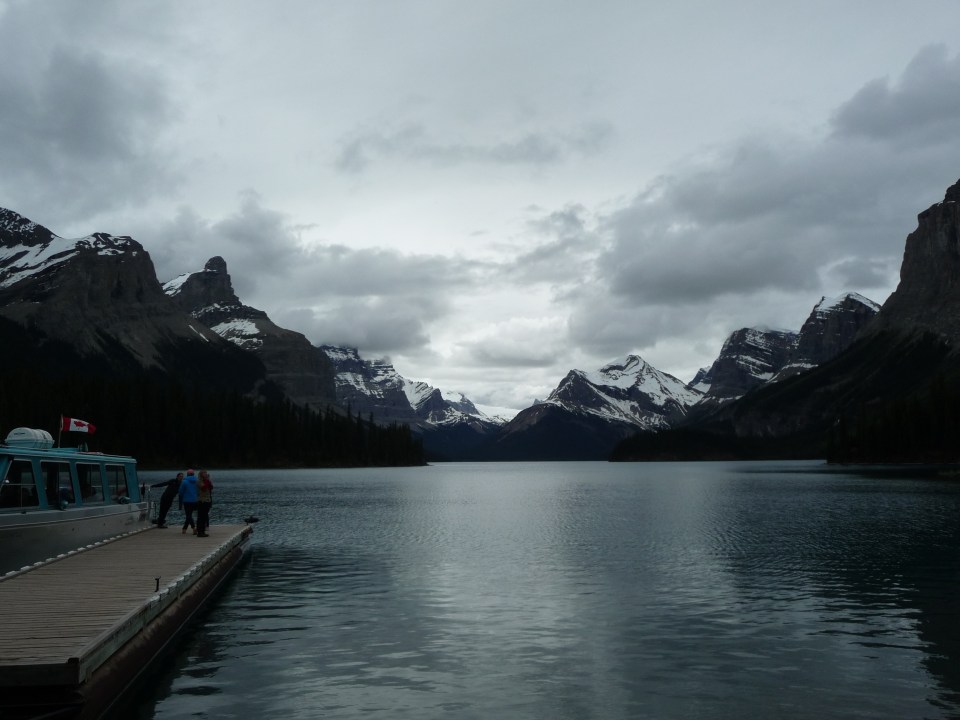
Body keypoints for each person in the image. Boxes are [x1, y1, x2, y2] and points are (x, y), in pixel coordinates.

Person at [178, 469, 200, 534]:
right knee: (189, 515)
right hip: (196, 500)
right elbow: (199, 491)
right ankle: (184, 529)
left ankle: (193, 528)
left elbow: (180, 492)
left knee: (188, 515)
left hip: (187, 501)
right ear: (193, 474)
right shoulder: (197, 481)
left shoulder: (184, 482)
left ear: (187, 474)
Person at [196, 470, 214, 537]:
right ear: (201, 475)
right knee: (201, 517)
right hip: (202, 501)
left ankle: (202, 531)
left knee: (204, 517)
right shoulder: (199, 481)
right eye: (204, 473)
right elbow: (203, 488)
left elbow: (211, 487)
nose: (206, 474)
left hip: (207, 500)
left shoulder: (207, 481)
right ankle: (200, 532)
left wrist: (208, 481)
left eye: (206, 473)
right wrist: (206, 480)